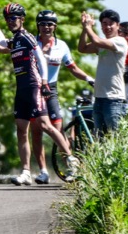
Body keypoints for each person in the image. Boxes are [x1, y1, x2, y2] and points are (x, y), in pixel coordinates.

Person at [0, 3, 80, 185]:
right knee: (21, 130)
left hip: (34, 85)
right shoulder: (16, 39)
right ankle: (26, 172)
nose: (10, 22)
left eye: (13, 18)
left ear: (22, 19)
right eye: (8, 19)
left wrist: (44, 81)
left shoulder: (28, 38)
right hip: (21, 88)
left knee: (45, 126)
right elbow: (2, 44)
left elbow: (41, 60)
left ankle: (70, 159)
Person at [31, 10, 94, 184]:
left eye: (50, 24)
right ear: (38, 26)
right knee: (36, 132)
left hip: (51, 89)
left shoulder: (62, 46)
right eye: (43, 24)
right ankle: (43, 171)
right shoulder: (32, 42)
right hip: (33, 88)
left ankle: (71, 166)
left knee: (57, 130)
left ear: (55, 27)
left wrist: (89, 78)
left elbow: (73, 68)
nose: (46, 27)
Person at [78, 9, 128, 134]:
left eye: (111, 23)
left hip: (114, 99)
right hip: (99, 98)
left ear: (118, 25)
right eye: (104, 24)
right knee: (99, 140)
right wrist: (85, 28)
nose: (107, 27)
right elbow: (82, 48)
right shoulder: (101, 44)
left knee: (116, 139)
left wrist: (88, 27)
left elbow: (97, 41)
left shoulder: (120, 41)